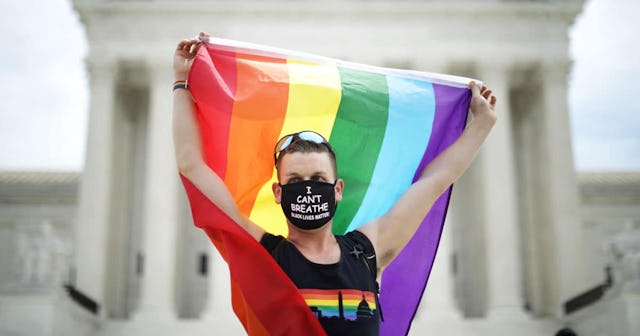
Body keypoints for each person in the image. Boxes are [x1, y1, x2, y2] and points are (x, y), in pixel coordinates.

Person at [173, 32, 497, 335]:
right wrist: (182, 83)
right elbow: (191, 166)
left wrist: (482, 125)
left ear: (337, 189)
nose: (309, 188)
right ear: (278, 192)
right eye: (296, 180)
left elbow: (434, 182)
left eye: (318, 179)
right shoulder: (264, 259)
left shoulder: (368, 251)